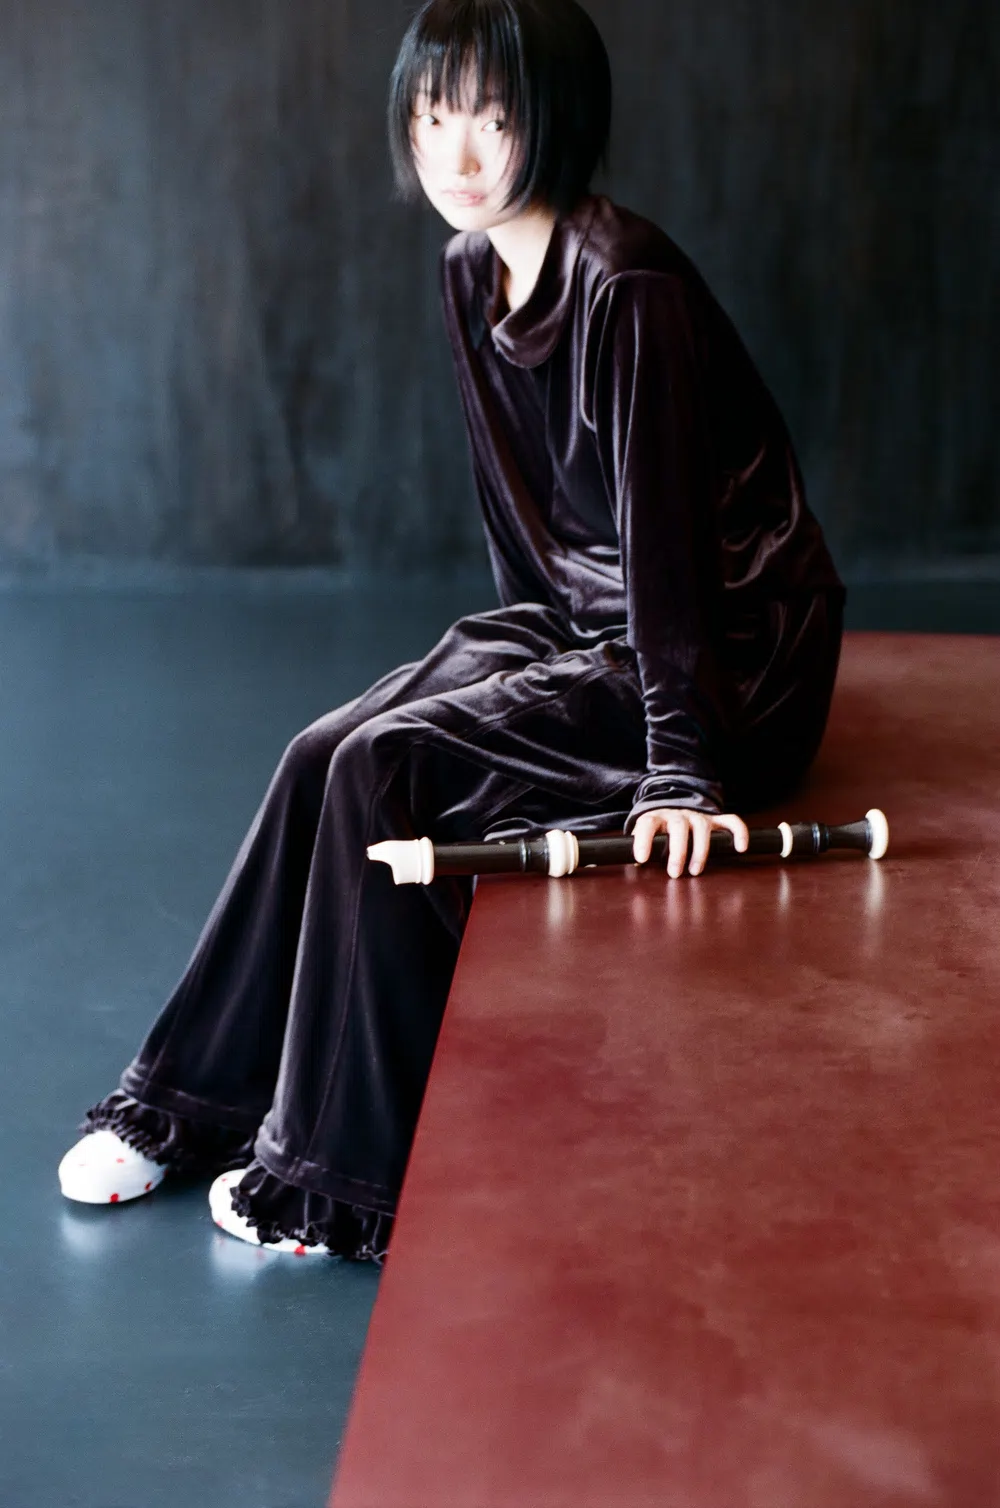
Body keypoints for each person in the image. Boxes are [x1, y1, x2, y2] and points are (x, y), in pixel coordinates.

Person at [58, 0, 844, 1262]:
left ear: (556, 120)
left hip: (728, 656)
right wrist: (502, 664)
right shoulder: (468, 268)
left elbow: (670, 546)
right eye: (432, 117)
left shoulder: (625, 283)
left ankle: (335, 1176)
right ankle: (184, 1101)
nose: (457, 154)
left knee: (387, 769)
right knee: (323, 749)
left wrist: (681, 768)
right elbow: (520, 517)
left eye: (492, 117)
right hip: (573, 621)